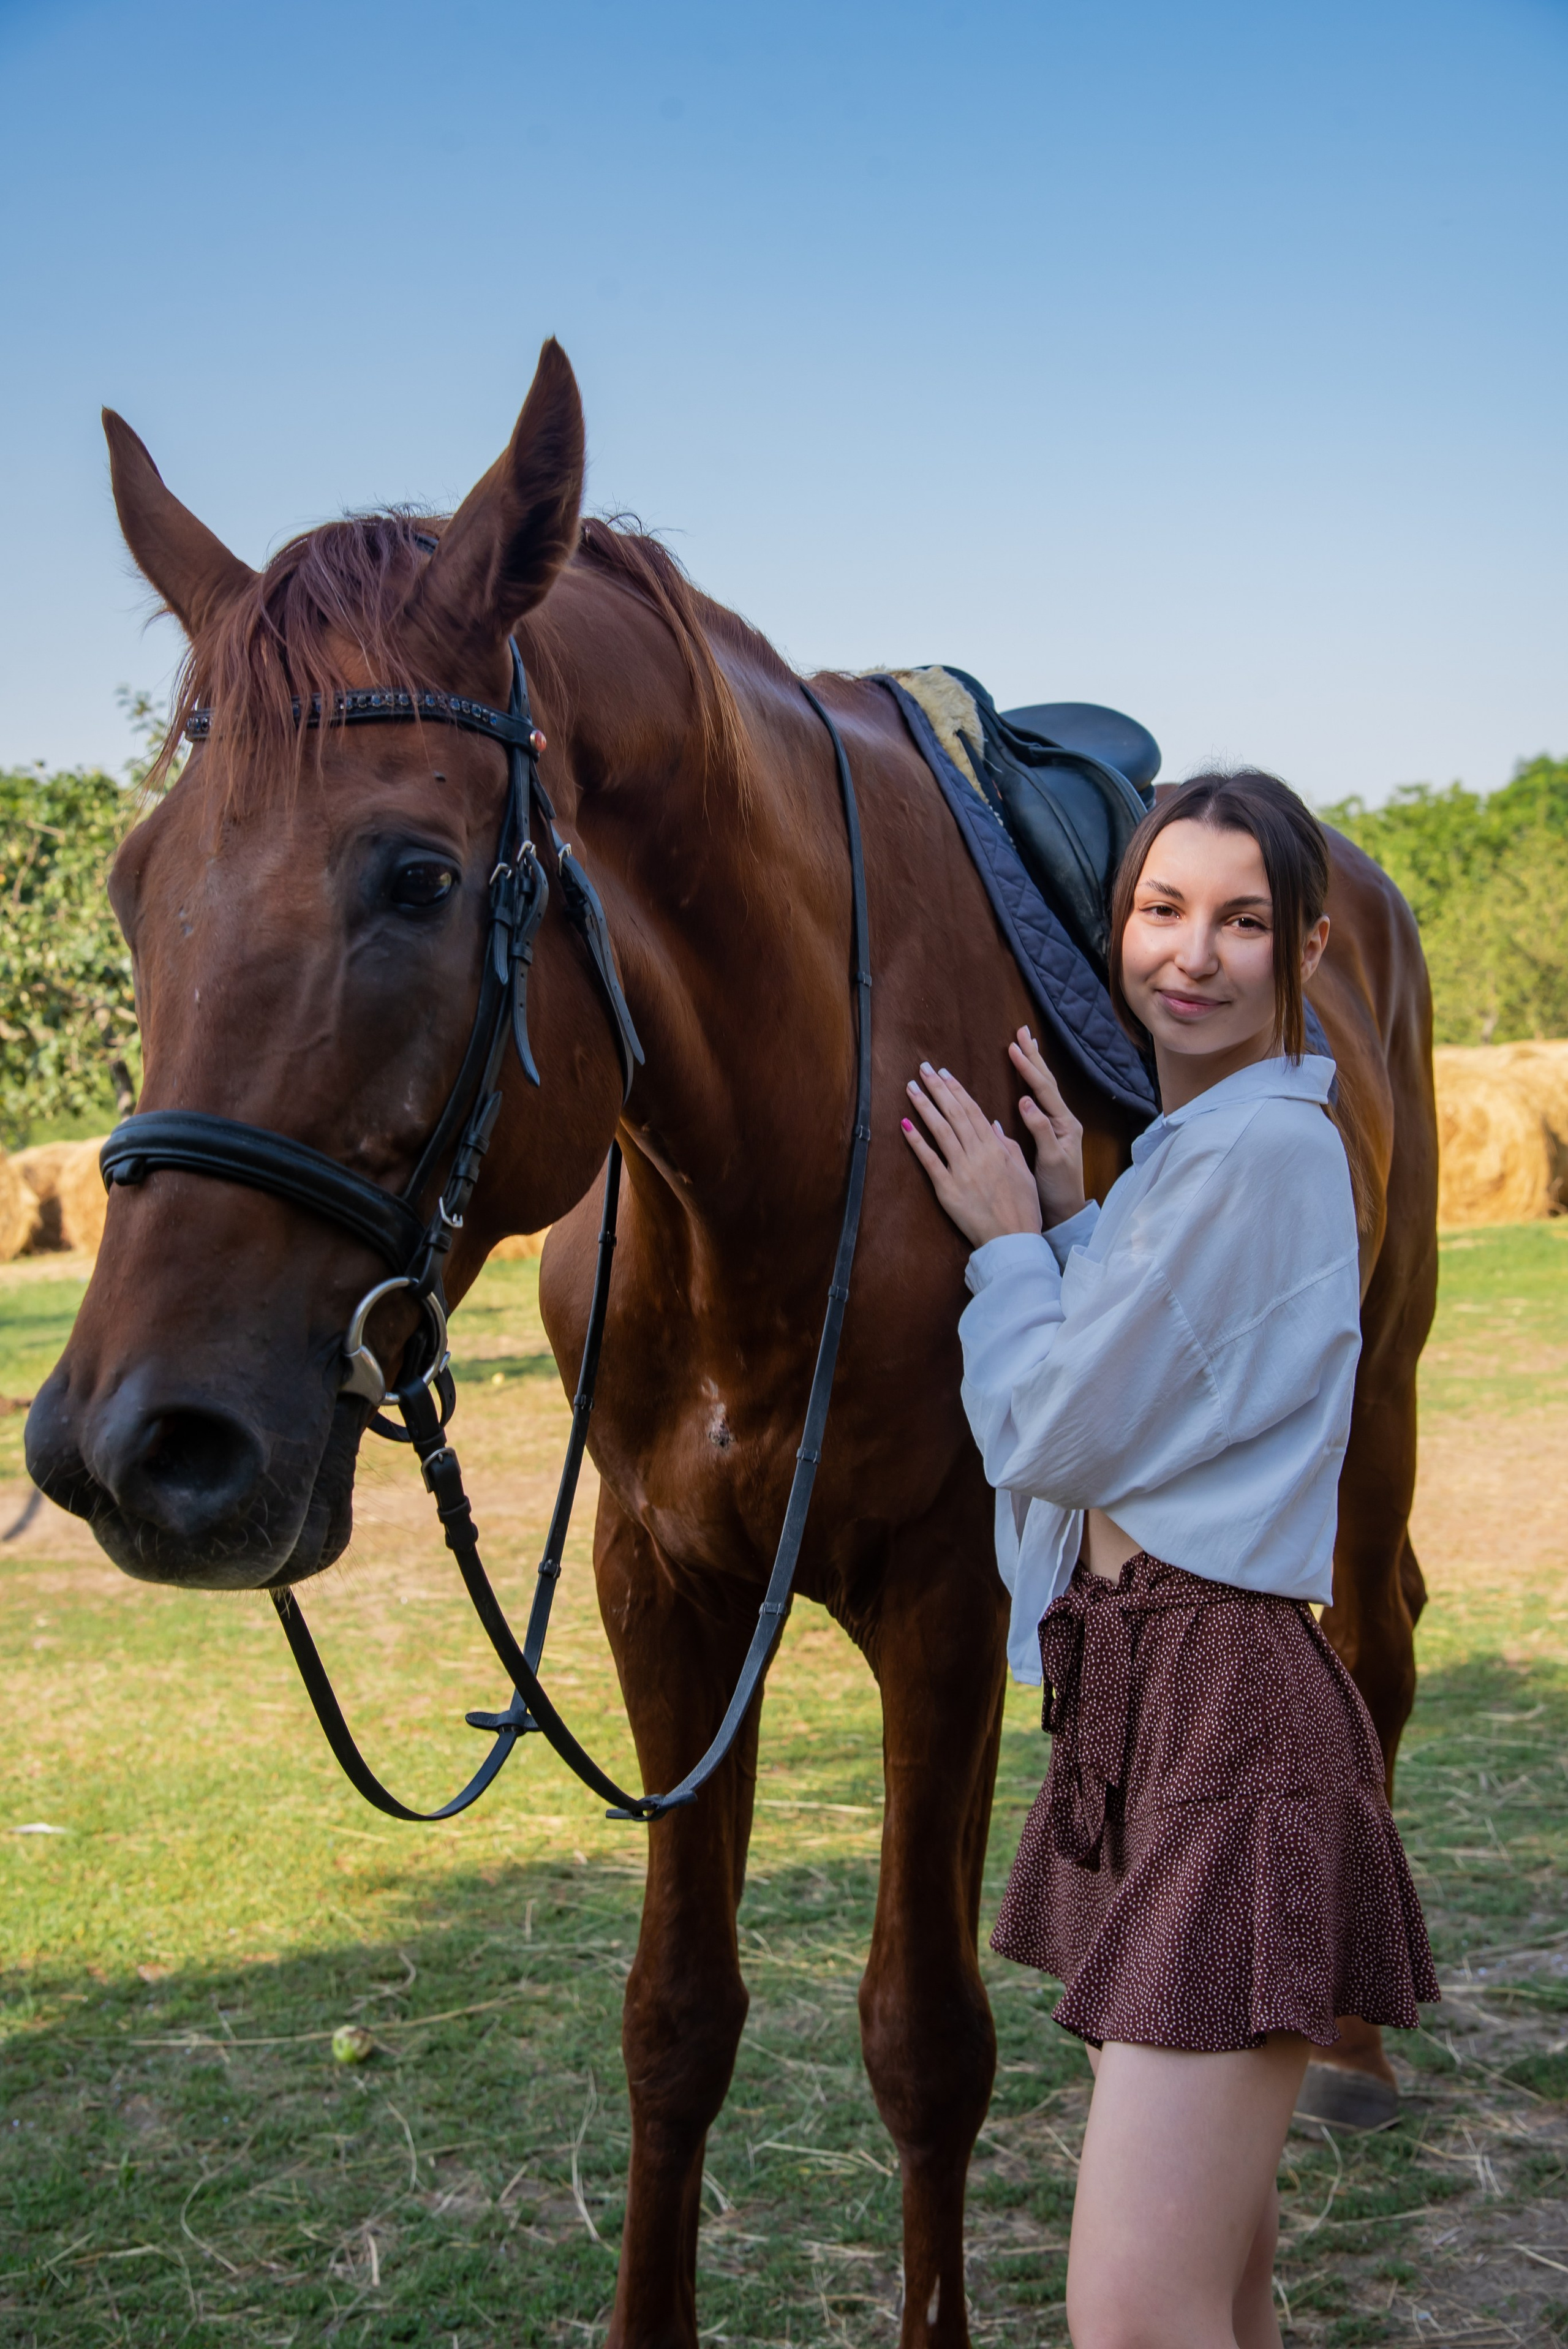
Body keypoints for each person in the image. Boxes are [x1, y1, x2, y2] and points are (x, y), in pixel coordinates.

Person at [901, 771, 1436, 2349]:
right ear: (1117, 927)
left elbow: (1059, 1435)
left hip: (1226, 1722)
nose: (1191, 955)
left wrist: (1004, 1244)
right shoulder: (1206, 1153)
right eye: (1160, 909)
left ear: (1309, 947)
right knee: (1221, 2294)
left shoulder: (1257, 1152)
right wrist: (1077, 1218)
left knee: (1136, 2317)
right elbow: (1167, 1366)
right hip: (1158, 1698)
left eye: (1243, 921)